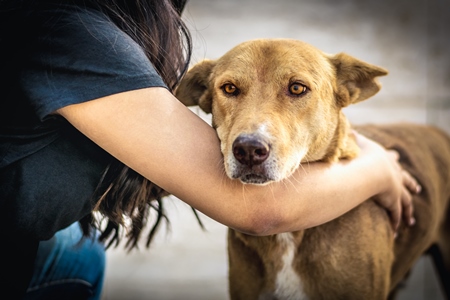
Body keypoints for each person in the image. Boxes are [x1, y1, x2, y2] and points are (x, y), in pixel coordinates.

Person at [0, 0, 420, 299]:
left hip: (45, 243)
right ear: (203, 94)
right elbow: (260, 214)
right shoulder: (71, 31)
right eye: (231, 90)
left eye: (296, 89)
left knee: (83, 252)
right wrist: (381, 169)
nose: (254, 131)